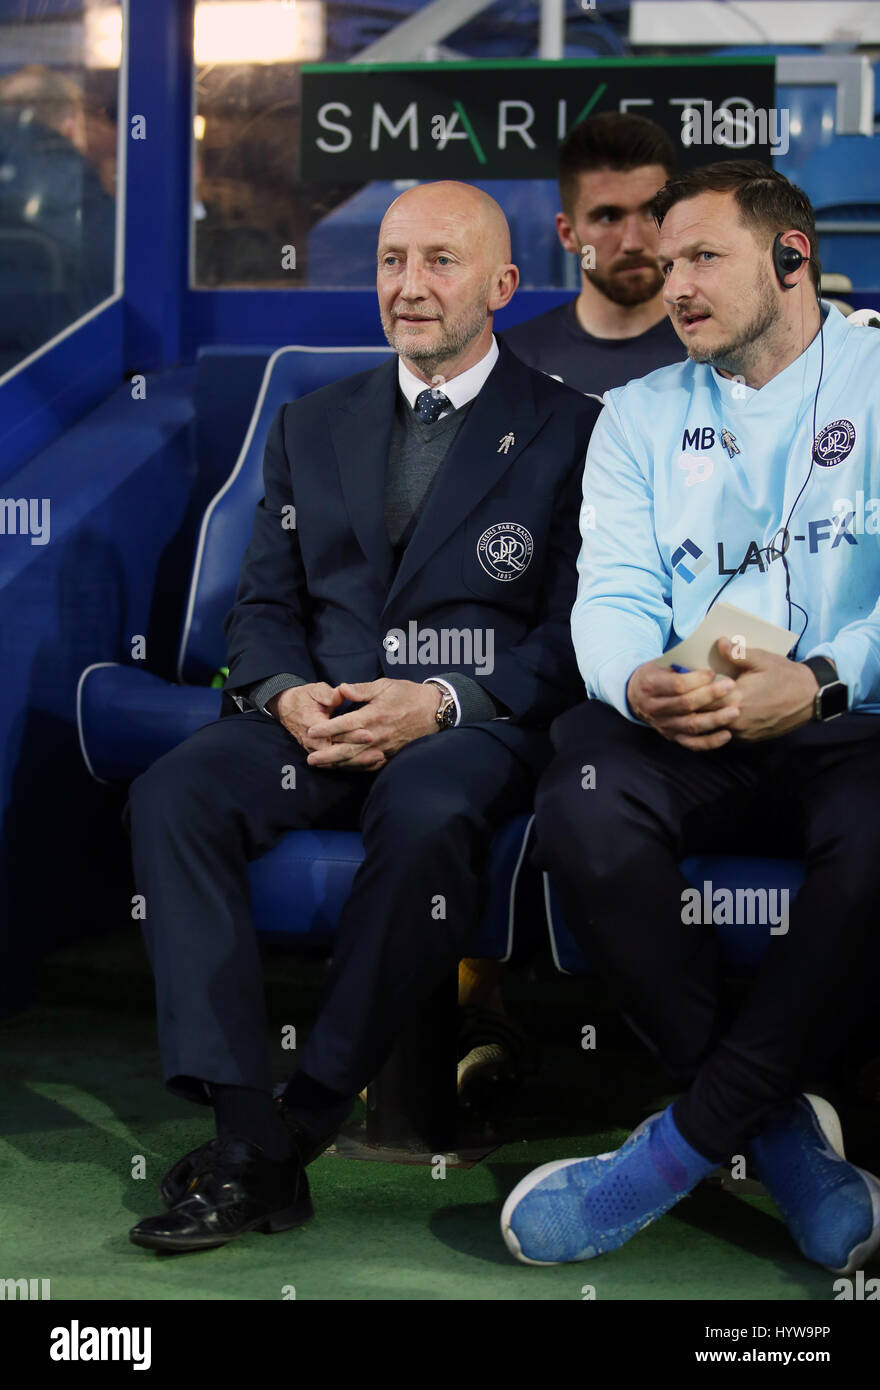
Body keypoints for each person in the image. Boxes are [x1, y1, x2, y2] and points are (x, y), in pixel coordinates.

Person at [123, 180, 601, 1253]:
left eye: (439, 260)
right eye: (391, 261)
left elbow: (572, 632)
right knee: (174, 793)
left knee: (429, 815)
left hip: (465, 730)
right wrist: (285, 691)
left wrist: (438, 700)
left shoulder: (574, 430)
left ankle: (306, 1113)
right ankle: (250, 1129)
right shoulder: (310, 421)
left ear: (502, 284)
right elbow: (263, 605)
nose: (409, 286)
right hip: (317, 719)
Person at [503, 161, 880, 1275]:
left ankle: (671, 1154)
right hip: (689, 728)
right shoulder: (637, 412)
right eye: (665, 265)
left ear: (792, 258)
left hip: (849, 727)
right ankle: (778, 1137)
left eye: (702, 257)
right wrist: (636, 683)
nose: (673, 285)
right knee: (581, 791)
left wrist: (817, 681)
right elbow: (609, 597)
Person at [502, 111, 684, 397]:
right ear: (567, 234)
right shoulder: (514, 362)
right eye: (608, 217)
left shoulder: (720, 353)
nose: (632, 242)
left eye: (652, 213)